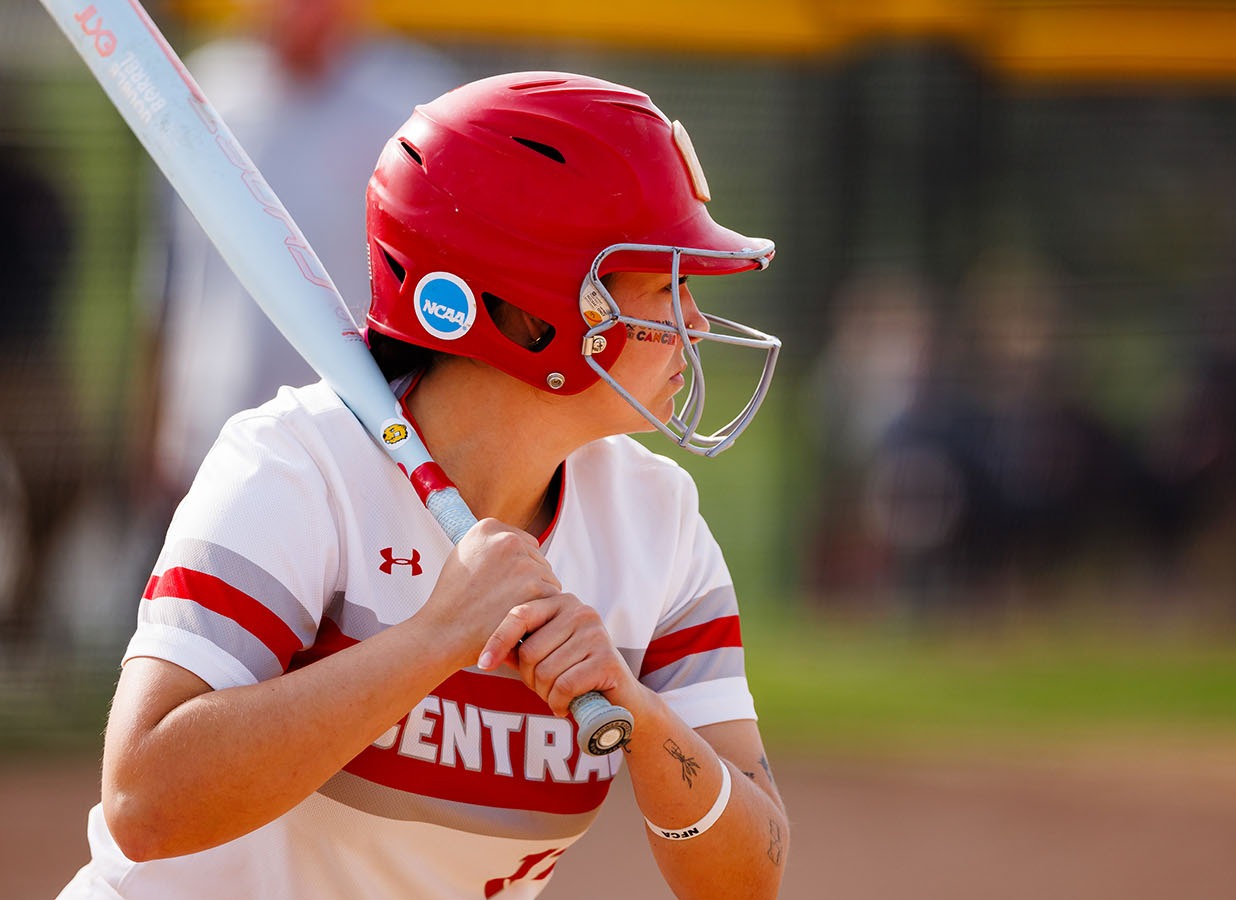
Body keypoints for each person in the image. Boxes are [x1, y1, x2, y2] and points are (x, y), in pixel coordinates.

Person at [59, 72, 788, 899]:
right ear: (534, 313)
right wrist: (434, 641)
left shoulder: (656, 522)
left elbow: (747, 878)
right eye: (667, 285)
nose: (692, 323)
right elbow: (144, 803)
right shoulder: (298, 468)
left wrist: (640, 715)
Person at [146, 0, 457, 500]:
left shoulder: (411, 104)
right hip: (208, 438)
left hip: (351, 444)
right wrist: (154, 427)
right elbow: (169, 279)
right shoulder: (206, 92)